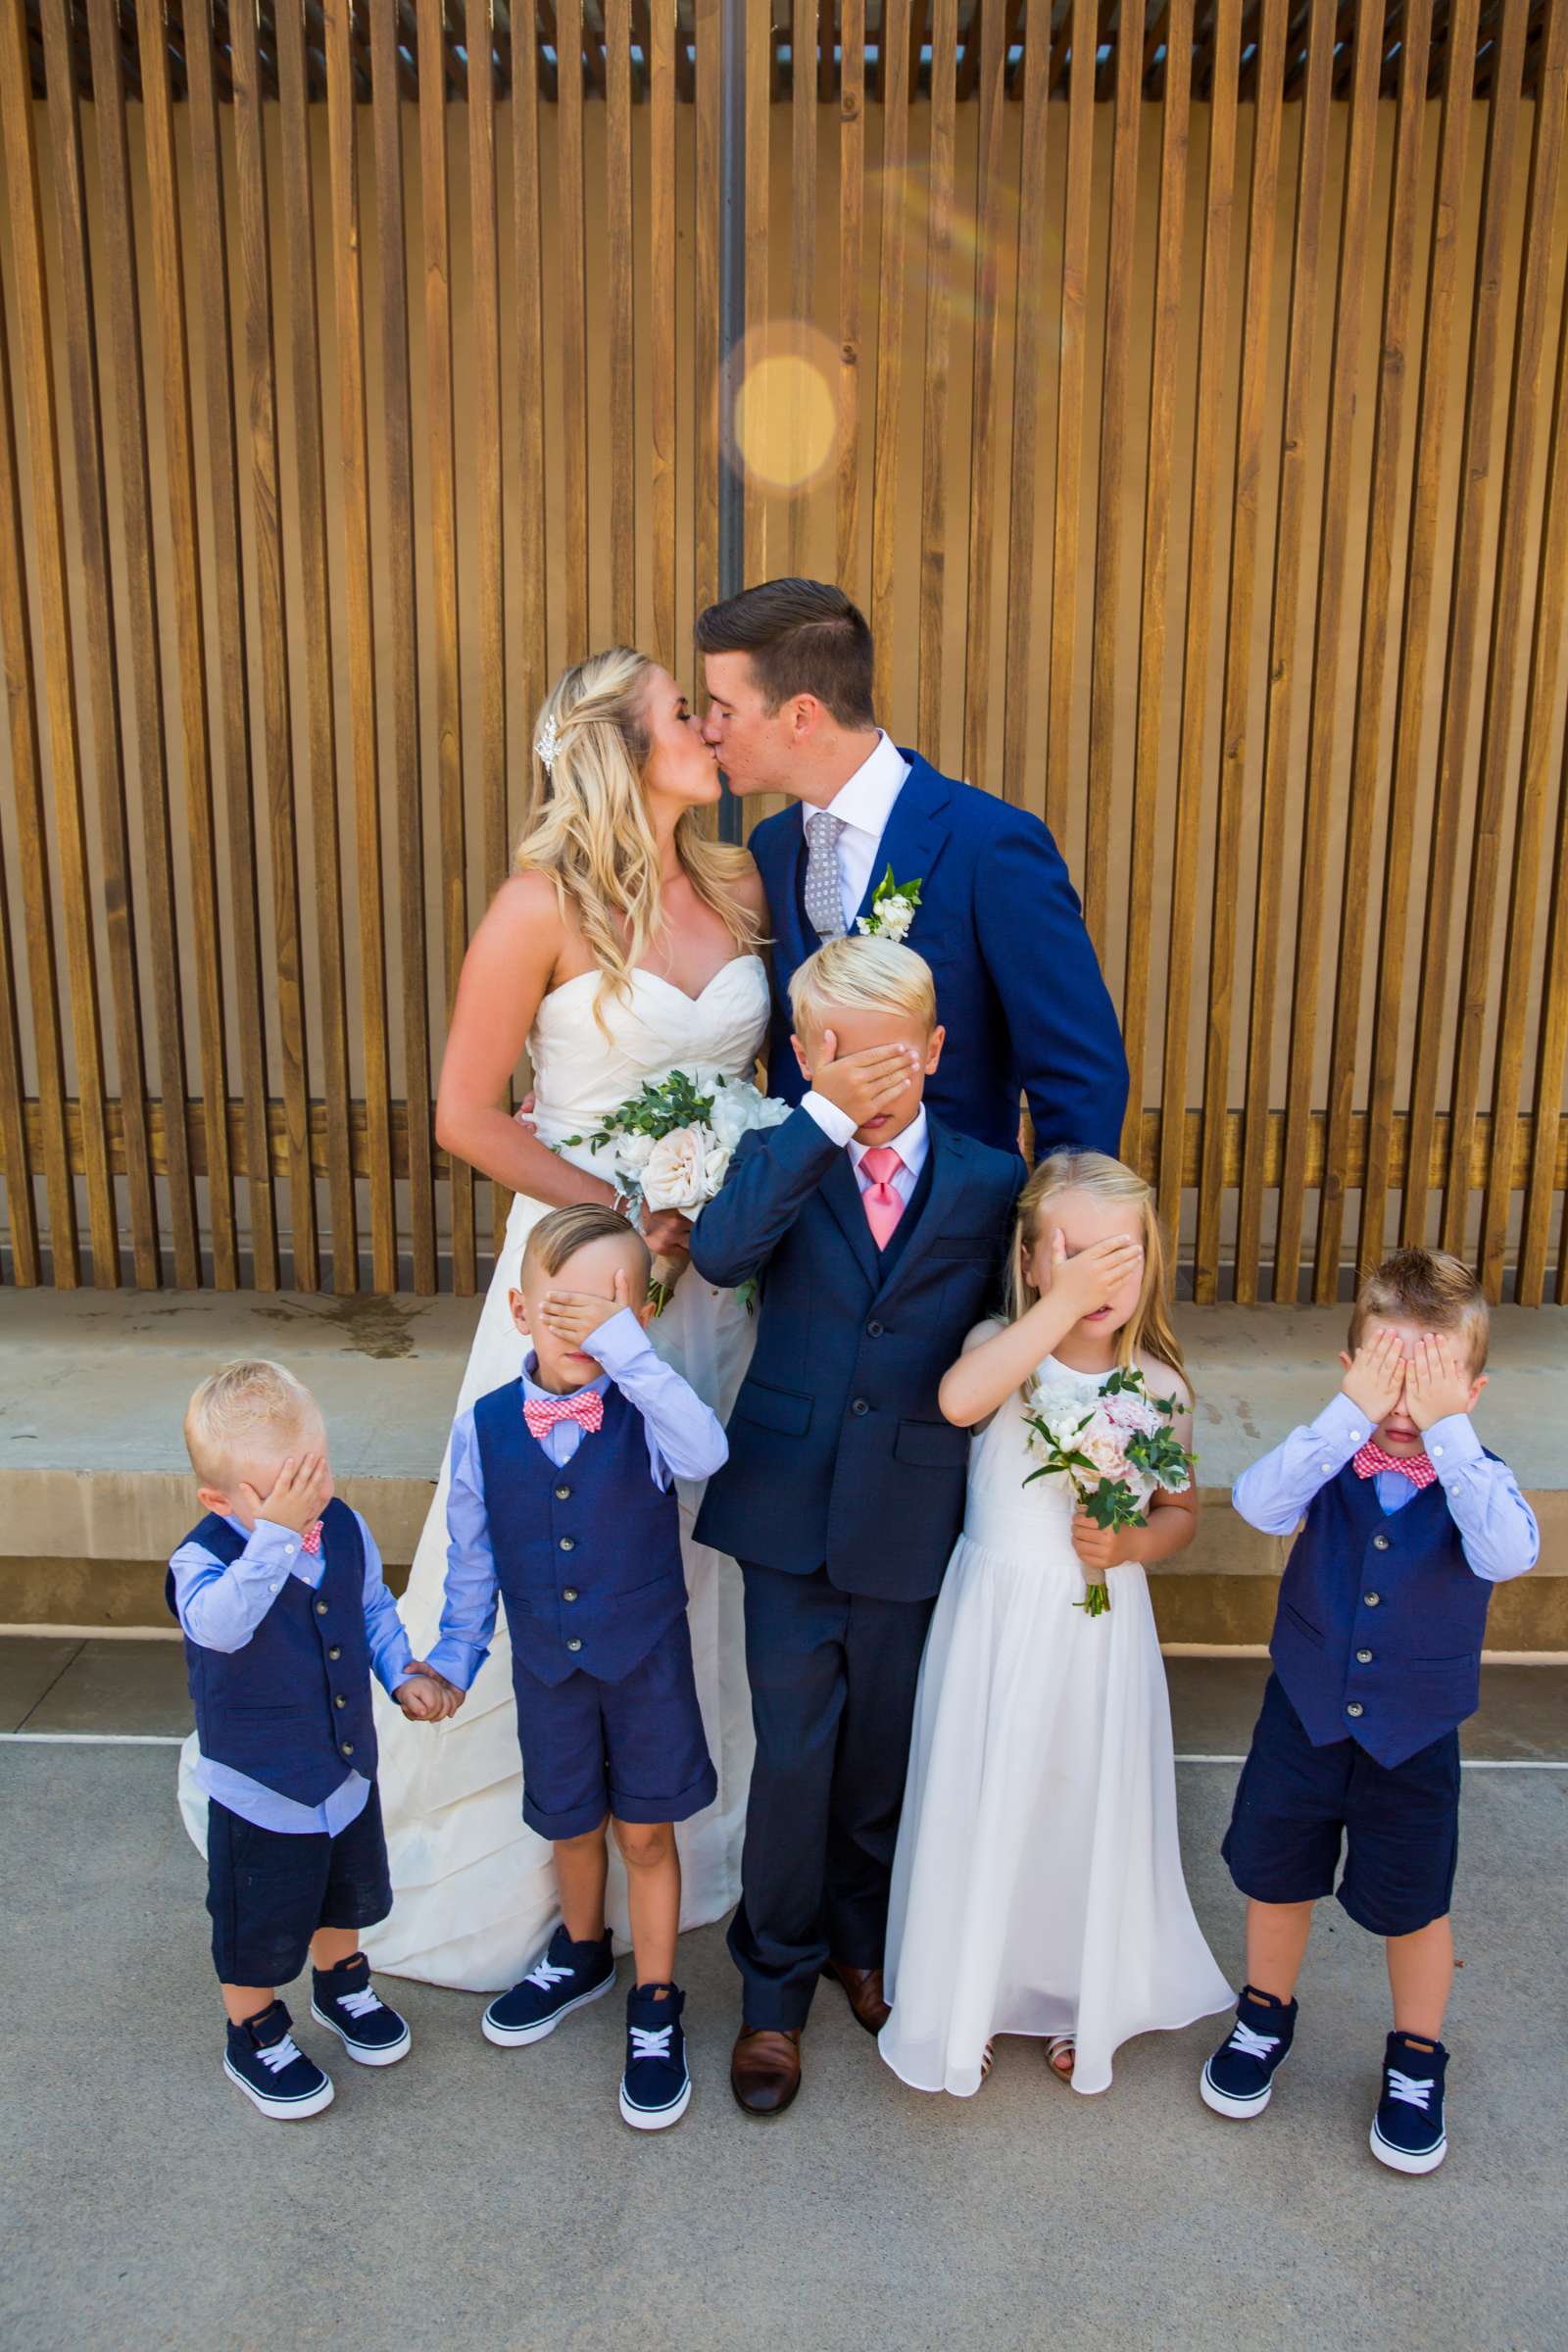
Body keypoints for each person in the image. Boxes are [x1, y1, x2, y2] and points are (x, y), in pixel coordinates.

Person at [174, 648, 770, 1991]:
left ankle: (676, 1831)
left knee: (682, 1551)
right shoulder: (533, 908)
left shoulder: (737, 886)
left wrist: (709, 1211)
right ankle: (552, 1889)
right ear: (622, 743)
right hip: (578, 1279)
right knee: (551, 1548)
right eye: (685, 711)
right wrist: (622, 1215)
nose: (710, 727)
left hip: (713, 1292)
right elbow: (466, 1114)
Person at [690, 936, 1024, 2116]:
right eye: (827, 1053)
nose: (857, 1075)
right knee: (791, 1761)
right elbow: (724, 1254)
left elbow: (1004, 1333)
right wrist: (819, 1124)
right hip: (786, 1514)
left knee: (882, 1753)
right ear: (799, 1055)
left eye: (880, 1056)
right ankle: (771, 1995)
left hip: (910, 1511)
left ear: (933, 1051)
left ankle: (859, 1942)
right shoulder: (780, 1155)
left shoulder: (990, 1180)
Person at [878, 1153, 1232, 2098]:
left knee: (1079, 1795)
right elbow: (959, 1401)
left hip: (1096, 1629)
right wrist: (1053, 1312)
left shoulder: (1161, 1387)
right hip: (997, 1618)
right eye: (1071, 1255)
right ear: (1031, 1262)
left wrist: (1131, 1545)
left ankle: (1084, 1990)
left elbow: (1181, 1513)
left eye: (1117, 1258)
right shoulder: (1004, 1341)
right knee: (990, 1786)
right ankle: (977, 1989)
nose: (1094, 1280)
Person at [1201, 1249, 1539, 2175]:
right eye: (1388, 1375)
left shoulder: (1482, 1485)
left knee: (1413, 1905)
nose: (1402, 1405)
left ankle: (1417, 2058)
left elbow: (1508, 1554)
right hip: (1304, 1714)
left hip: (1413, 1735)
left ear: (1471, 1388)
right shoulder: (1331, 1455)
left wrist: (1448, 1437)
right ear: (1350, 1369)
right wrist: (1347, 1416)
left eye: (1428, 1379)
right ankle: (1265, 2015)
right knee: (1277, 1876)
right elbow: (1260, 1506)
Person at [414, 1205, 728, 2131]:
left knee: (645, 1834)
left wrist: (632, 1352)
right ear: (520, 1309)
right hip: (548, 1670)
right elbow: (473, 1565)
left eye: (614, 1306)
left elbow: (708, 1452)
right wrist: (453, 1663)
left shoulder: (651, 1408)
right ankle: (583, 1951)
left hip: (646, 1671)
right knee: (569, 1823)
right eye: (566, 1306)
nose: (588, 1325)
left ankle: (659, 2001)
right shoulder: (484, 1427)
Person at [695, 577, 1127, 1160]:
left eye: (724, 709)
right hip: (803, 1231)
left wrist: (1062, 1227)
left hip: (953, 1232)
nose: (708, 730)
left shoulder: (991, 846)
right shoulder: (770, 849)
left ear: (801, 715)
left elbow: (1079, 1071)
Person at [169, 1359, 454, 2119]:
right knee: (256, 1922)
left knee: (342, 1894)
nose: (309, 1497)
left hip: (344, 1771)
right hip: (260, 1788)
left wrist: (402, 1674)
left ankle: (342, 1984)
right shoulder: (202, 1562)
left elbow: (372, 1612)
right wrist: (274, 1539)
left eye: (317, 1471)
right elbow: (222, 1626)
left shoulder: (346, 1527)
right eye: (280, 1488)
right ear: (219, 1498)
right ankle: (253, 2029)